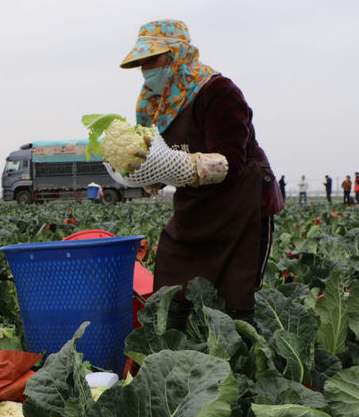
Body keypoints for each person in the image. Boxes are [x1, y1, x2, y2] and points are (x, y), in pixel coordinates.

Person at [119, 19, 283, 325]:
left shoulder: (218, 91)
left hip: (241, 202)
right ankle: (173, 352)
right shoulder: (156, 102)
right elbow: (157, 156)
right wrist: (142, 174)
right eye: (141, 63)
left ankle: (239, 363)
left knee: (236, 298)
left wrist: (178, 165)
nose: (145, 70)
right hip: (196, 203)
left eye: (151, 60)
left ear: (176, 55)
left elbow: (230, 161)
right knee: (171, 286)